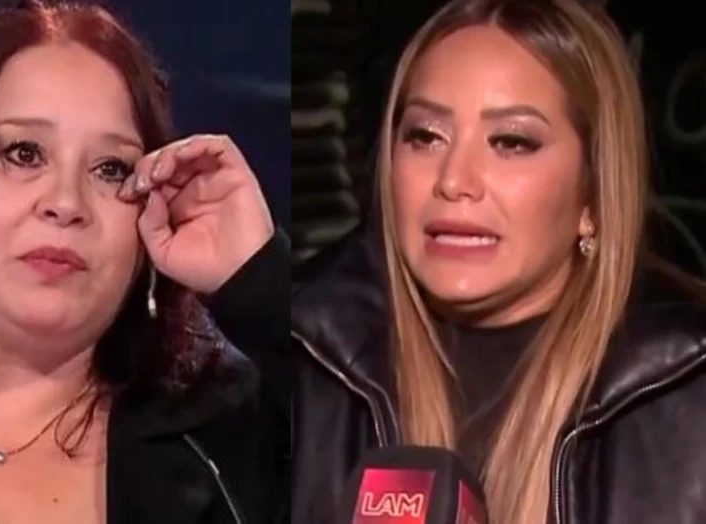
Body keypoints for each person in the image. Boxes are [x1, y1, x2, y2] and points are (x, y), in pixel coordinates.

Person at [291, 0, 706, 522]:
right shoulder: (301, 362)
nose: (453, 180)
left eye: (511, 142)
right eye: (425, 136)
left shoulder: (685, 395)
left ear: (594, 197)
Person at [0, 1, 289, 523]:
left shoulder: (230, 442)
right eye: (24, 153)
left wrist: (258, 279)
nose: (67, 203)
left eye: (110, 169)